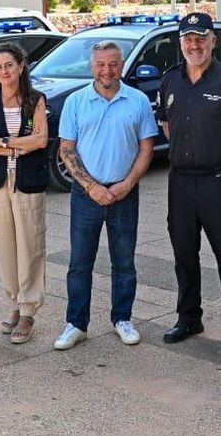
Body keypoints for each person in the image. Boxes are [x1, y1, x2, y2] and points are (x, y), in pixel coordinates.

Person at [157, 12, 221, 352]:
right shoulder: (170, 80)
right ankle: (189, 317)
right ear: (181, 42)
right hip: (181, 182)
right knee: (183, 253)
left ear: (213, 40)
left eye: (201, 37)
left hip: (218, 181)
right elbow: (167, 126)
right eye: (188, 38)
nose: (194, 44)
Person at [53, 40, 158, 351]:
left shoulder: (138, 101)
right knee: (79, 262)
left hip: (125, 192)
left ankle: (122, 318)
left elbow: (146, 149)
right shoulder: (75, 102)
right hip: (86, 194)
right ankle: (76, 323)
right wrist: (92, 187)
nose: (106, 70)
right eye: (100, 64)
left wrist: (126, 184)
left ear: (122, 65)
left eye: (112, 64)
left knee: (124, 261)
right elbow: (67, 150)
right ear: (92, 66)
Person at [0, 42, 50, 344]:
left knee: (30, 244)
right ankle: (15, 302)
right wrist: (18, 143)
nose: (4, 71)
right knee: (5, 245)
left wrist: (2, 142)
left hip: (28, 180)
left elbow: (41, 140)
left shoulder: (34, 100)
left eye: (9, 65)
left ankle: (29, 309)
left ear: (21, 66)